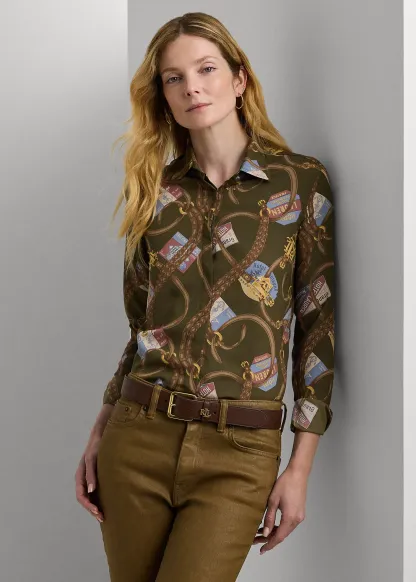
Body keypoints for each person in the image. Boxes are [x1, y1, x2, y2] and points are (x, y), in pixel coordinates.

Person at [75, 11, 335, 582]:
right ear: (164, 97)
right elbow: (142, 329)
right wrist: (101, 426)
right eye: (174, 78)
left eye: (206, 69)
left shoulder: (299, 182)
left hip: (240, 452)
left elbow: (317, 331)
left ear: (239, 79)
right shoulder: (154, 192)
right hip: (137, 436)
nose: (192, 86)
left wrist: (300, 468)